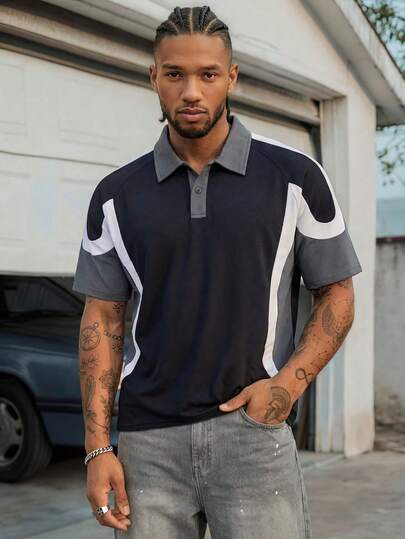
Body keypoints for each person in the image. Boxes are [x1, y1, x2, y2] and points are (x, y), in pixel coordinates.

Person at [72, 5, 362, 538]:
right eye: (174, 74)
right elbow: (102, 320)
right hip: (147, 446)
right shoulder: (116, 196)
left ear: (232, 77)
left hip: (252, 437)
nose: (191, 92)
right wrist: (97, 448)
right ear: (153, 77)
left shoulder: (295, 178)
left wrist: (286, 387)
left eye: (208, 74)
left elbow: (337, 294)